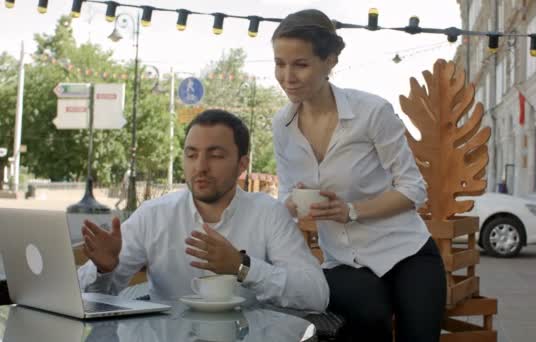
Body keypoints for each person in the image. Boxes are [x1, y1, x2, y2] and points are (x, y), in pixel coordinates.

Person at [271, 9, 447, 342]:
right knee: (369, 318)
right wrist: (295, 202)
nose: (287, 76)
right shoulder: (282, 125)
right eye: (280, 63)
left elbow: (413, 189)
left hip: (406, 251)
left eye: (300, 64)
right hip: (343, 262)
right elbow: (284, 196)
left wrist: (351, 211)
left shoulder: (372, 112)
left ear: (330, 61)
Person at [78, 109, 329, 312]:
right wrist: (103, 269)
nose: (200, 167)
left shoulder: (268, 213)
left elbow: (315, 295)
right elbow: (88, 298)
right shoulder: (154, 215)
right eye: (191, 155)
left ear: (242, 164)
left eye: (216, 155)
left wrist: (242, 267)